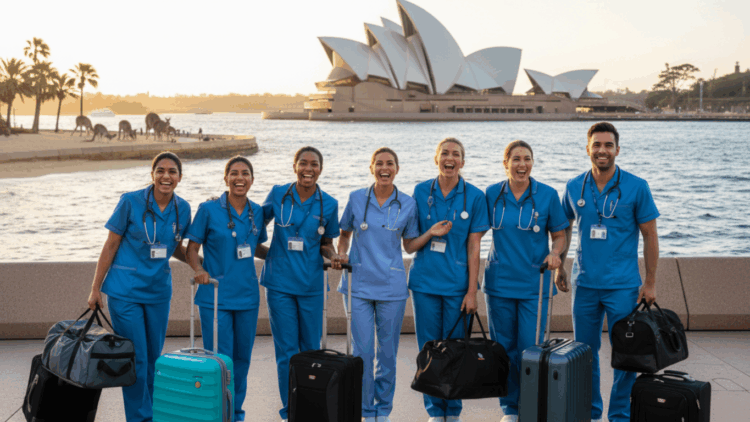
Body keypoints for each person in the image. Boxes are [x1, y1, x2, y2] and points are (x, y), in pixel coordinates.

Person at [557, 122, 659, 422]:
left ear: (617, 149)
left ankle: (619, 415)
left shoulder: (636, 186)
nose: (602, 150)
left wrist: (650, 282)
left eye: (608, 145)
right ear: (588, 148)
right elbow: (564, 227)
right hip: (585, 284)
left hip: (623, 286)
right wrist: (561, 263)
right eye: (597, 145)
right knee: (584, 355)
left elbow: (650, 236)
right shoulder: (575, 185)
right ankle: (589, 412)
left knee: (626, 356)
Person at [87, 152, 192, 422]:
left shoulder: (183, 209)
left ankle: (153, 414)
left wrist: (202, 265)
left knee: (155, 359)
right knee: (137, 358)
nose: (166, 176)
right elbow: (110, 245)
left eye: (172, 171)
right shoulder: (130, 201)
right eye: (160, 170)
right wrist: (95, 288)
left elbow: (176, 248)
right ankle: (139, 418)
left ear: (180, 177)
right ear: (152, 174)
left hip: (158, 292)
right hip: (125, 291)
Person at [483, 140, 569, 422]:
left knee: (529, 350)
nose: (522, 164)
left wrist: (556, 254)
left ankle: (530, 407)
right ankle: (510, 408)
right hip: (499, 283)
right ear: (505, 162)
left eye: (528, 159)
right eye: (516, 159)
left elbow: (559, 235)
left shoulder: (546, 195)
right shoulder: (492, 193)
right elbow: (473, 234)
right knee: (504, 349)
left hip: (535, 283)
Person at [406, 138, 489, 422]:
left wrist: (471, 291)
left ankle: (452, 411)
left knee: (456, 351)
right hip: (425, 284)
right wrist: (430, 232)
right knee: (429, 349)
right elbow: (410, 244)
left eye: (456, 154)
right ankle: (433, 412)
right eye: (444, 153)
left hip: (457, 286)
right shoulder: (419, 191)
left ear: (463, 162)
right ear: (436, 158)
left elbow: (474, 247)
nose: (449, 158)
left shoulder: (475, 196)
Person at [260, 146, 343, 422]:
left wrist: (334, 257)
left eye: (314, 164)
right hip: (280, 284)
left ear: (321, 168)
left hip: (311, 286)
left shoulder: (328, 203)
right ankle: (290, 411)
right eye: (303, 163)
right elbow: (256, 227)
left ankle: (310, 408)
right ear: (295, 165)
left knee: (310, 350)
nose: (309, 169)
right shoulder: (278, 194)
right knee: (286, 352)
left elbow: (326, 244)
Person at [337, 147, 419, 422]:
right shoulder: (356, 198)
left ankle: (382, 410)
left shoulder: (407, 203)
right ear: (371, 167)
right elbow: (344, 234)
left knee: (387, 354)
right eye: (380, 163)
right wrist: (342, 252)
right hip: (358, 284)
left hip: (391, 286)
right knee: (362, 352)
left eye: (390, 164)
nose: (385, 168)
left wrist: (430, 233)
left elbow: (409, 244)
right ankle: (364, 410)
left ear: (397, 168)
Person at [185, 156, 268, 422]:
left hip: (247, 296)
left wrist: (293, 257)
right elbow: (191, 248)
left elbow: (256, 247)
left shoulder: (257, 211)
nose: (239, 178)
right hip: (216, 296)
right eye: (234, 173)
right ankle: (217, 413)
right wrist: (199, 270)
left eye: (245, 173)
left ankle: (236, 413)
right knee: (220, 360)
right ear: (225, 178)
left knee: (242, 361)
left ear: (252, 180)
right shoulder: (208, 209)